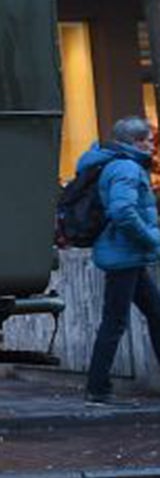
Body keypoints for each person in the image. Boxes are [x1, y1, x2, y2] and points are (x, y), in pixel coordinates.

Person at [77, 117, 160, 404]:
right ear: (135, 142)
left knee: (154, 313)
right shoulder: (126, 167)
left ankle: (97, 386)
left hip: (128, 255)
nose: (152, 145)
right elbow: (122, 210)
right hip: (124, 254)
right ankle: (97, 387)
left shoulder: (120, 164)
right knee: (115, 320)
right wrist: (151, 238)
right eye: (149, 140)